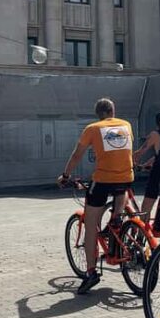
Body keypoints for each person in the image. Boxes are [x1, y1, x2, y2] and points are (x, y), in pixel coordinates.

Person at [57, 98, 134, 294]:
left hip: (103, 180)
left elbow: (77, 155)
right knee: (121, 188)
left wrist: (65, 175)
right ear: (113, 111)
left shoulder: (92, 128)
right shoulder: (126, 125)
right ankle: (117, 217)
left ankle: (91, 272)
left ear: (97, 114)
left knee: (90, 224)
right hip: (126, 178)